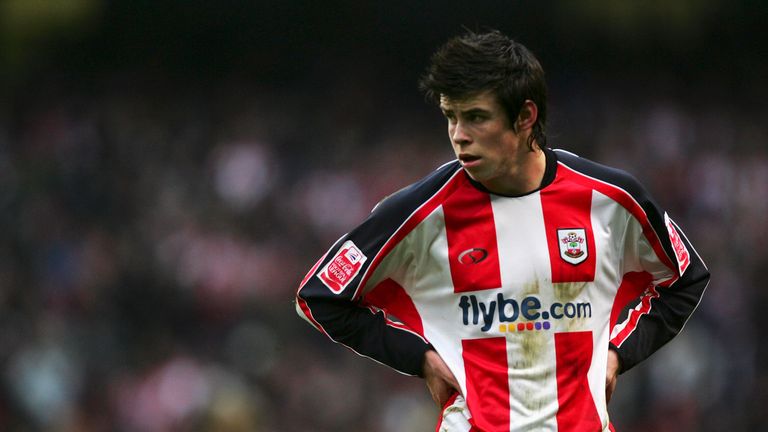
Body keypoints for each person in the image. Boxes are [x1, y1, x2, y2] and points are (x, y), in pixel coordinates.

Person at [295, 29, 709, 432]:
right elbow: (319, 297)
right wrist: (419, 356)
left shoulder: (611, 199)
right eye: (451, 117)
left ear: (526, 116)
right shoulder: (419, 211)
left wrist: (619, 353)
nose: (459, 135)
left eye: (476, 117)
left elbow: (685, 278)